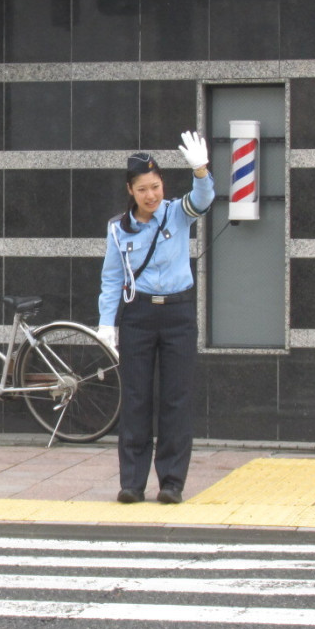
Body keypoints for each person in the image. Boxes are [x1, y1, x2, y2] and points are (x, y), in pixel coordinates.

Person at [97, 131, 214, 506]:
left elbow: (204, 199)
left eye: (156, 186)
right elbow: (112, 277)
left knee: (175, 400)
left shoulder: (176, 214)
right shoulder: (118, 229)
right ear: (130, 190)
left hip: (178, 313)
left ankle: (172, 483)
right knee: (135, 399)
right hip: (139, 314)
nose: (152, 195)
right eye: (143, 189)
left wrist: (200, 171)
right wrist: (106, 323)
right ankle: (132, 483)